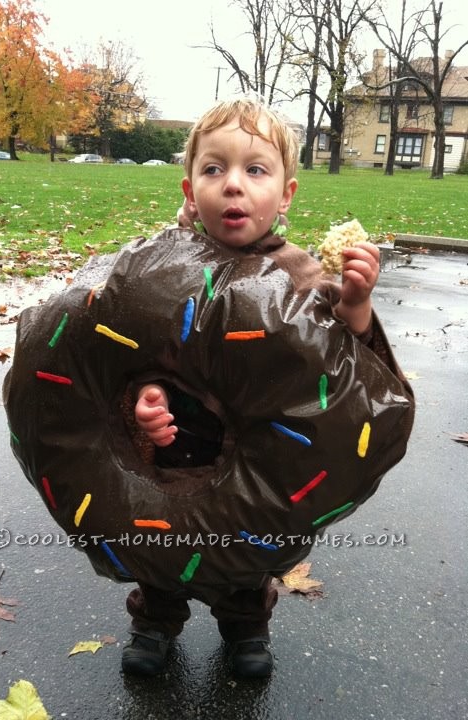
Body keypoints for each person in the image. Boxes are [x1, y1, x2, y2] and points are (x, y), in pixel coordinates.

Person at [121, 98, 413, 678]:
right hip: (176, 446)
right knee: (159, 547)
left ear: (286, 194)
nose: (233, 185)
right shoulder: (160, 268)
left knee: (248, 554)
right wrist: (142, 403)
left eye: (255, 170)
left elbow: (346, 364)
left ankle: (246, 628)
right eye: (214, 169)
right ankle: (154, 622)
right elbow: (127, 351)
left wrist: (355, 304)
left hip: (262, 457)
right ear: (188, 188)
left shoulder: (298, 274)